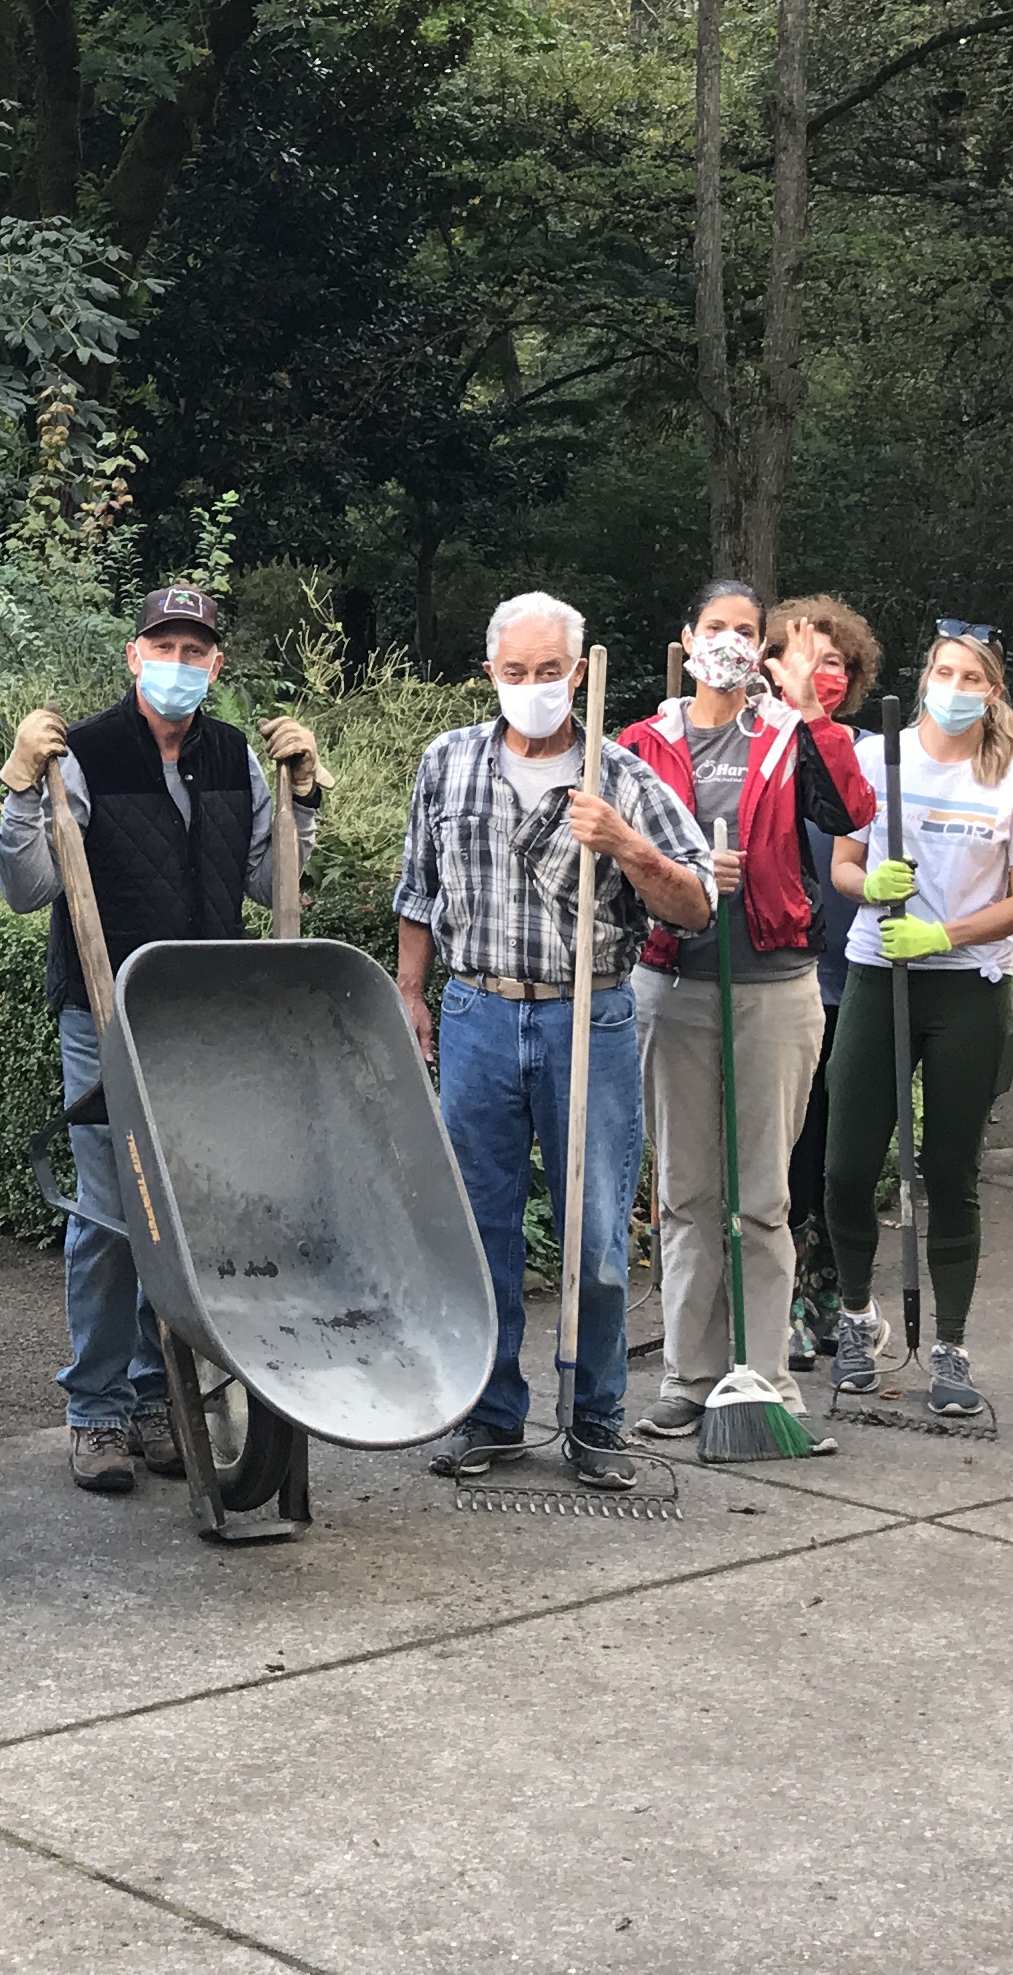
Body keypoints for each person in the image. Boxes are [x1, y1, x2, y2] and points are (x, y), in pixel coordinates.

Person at [0, 583, 323, 1495]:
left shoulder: (234, 758)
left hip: (204, 1024)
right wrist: (19, 792)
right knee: (111, 1214)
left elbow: (269, 882)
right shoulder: (87, 753)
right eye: (164, 648)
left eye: (196, 651)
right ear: (134, 655)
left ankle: (154, 1399)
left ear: (216, 664)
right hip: (105, 1016)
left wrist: (302, 800)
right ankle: (95, 1411)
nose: (180, 664)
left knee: (181, 1219)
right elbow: (26, 889)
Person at [394, 591, 715, 1485]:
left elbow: (695, 906)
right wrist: (411, 991)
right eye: (515, 671)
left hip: (590, 1014)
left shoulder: (623, 778)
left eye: (548, 671)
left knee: (597, 1230)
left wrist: (626, 846)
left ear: (578, 674)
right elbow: (418, 889)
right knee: (478, 1227)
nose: (531, 685)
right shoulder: (449, 761)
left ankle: (596, 1418)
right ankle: (491, 1414)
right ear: (489, 672)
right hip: (480, 1012)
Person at [616, 579, 867, 1441]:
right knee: (687, 1192)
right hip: (673, 982)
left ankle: (765, 1381)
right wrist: (681, 875)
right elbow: (614, 862)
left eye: (745, 630)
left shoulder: (789, 737)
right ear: (687, 640)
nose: (728, 640)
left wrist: (810, 713)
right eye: (714, 626)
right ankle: (689, 1378)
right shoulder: (641, 743)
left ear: (761, 648)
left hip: (774, 985)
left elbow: (853, 810)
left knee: (760, 1196)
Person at [820, 625, 1013, 1417]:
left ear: (993, 691)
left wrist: (944, 935)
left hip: (967, 986)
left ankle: (950, 1345)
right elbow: (843, 865)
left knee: (951, 1170)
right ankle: (856, 1317)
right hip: (877, 973)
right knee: (847, 1167)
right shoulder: (874, 757)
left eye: (972, 678)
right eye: (944, 672)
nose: (955, 688)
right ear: (925, 677)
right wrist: (868, 886)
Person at [764, 593, 882, 1366]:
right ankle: (786, 1296)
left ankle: (833, 1292)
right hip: (783, 977)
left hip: (856, 975)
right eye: (808, 659)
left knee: (845, 1149)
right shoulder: (757, 748)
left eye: (835, 662)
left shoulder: (870, 755)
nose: (821, 673)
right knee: (791, 1149)